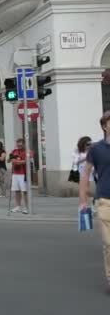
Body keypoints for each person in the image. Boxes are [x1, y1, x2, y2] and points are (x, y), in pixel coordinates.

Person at [79, 111, 110, 294]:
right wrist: (83, 199)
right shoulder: (96, 149)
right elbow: (86, 174)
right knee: (109, 243)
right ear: (104, 126)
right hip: (105, 200)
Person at [9, 138, 33, 214]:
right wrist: (17, 161)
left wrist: (16, 161)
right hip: (15, 174)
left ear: (24, 144)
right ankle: (18, 206)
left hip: (23, 174)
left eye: (20, 144)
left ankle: (26, 207)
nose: (19, 145)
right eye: (18, 144)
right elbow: (9, 160)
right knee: (17, 191)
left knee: (24, 191)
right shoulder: (14, 151)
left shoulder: (28, 152)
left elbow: (27, 161)